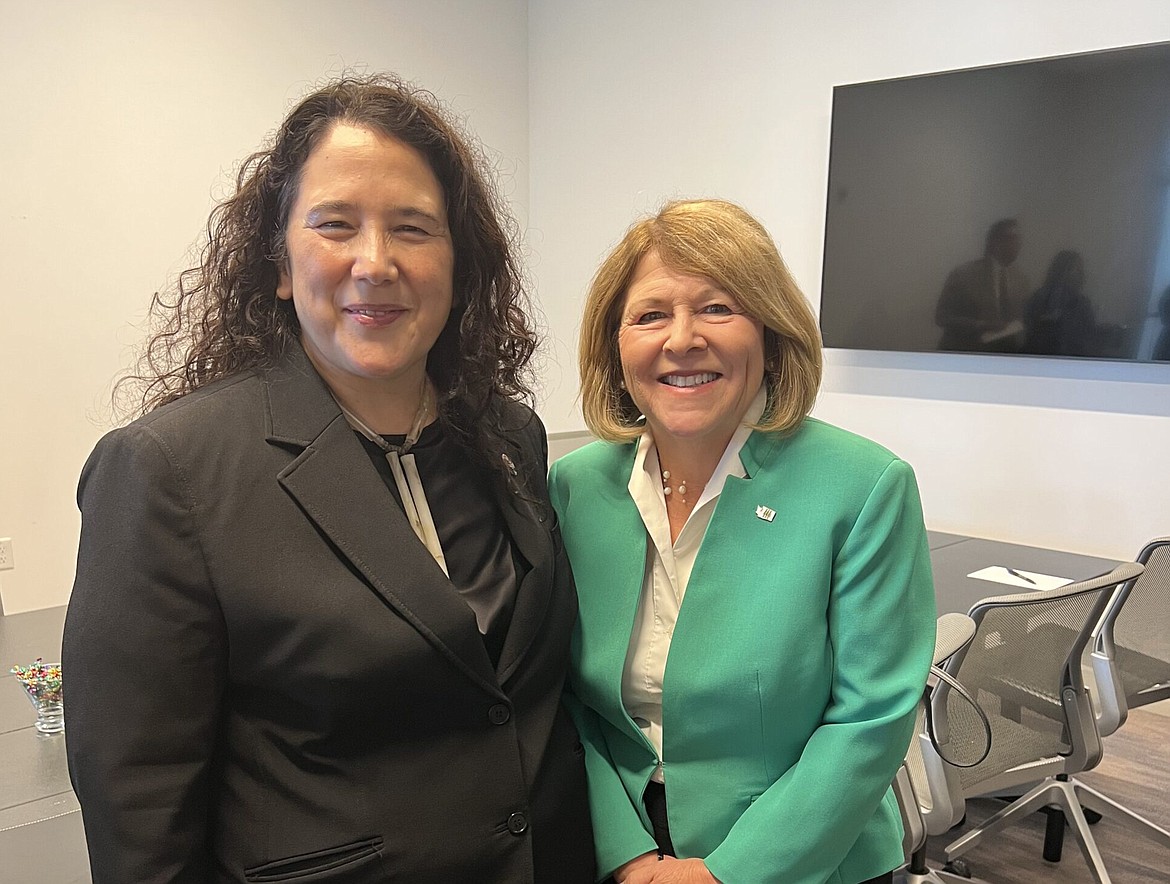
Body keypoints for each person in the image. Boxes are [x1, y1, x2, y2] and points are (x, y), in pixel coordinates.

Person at [63, 75, 594, 883]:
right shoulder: (169, 472)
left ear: (460, 263)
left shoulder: (507, 433)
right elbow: (139, 810)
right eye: (335, 225)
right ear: (280, 265)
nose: (375, 263)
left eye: (413, 228)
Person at [549, 199, 936, 884]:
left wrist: (729, 875)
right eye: (650, 315)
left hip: (804, 859)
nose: (682, 340)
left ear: (770, 333)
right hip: (619, 847)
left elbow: (871, 719)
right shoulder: (574, 487)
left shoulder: (865, 486)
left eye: (717, 309)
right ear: (614, 345)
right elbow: (563, 699)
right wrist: (627, 855)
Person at [935, 218, 1030, 352]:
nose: (1017, 244)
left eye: (1018, 239)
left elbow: (1020, 317)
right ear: (993, 242)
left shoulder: (1021, 279)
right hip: (965, 352)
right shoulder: (964, 274)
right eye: (1011, 238)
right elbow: (942, 316)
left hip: (1003, 355)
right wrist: (981, 325)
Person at [1023, 249, 1097, 356]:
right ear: (1061, 270)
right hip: (1041, 360)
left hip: (1075, 363)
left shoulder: (1083, 303)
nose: (1081, 274)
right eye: (1076, 269)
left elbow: (1089, 338)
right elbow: (1033, 332)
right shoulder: (1040, 298)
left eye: (1081, 269)